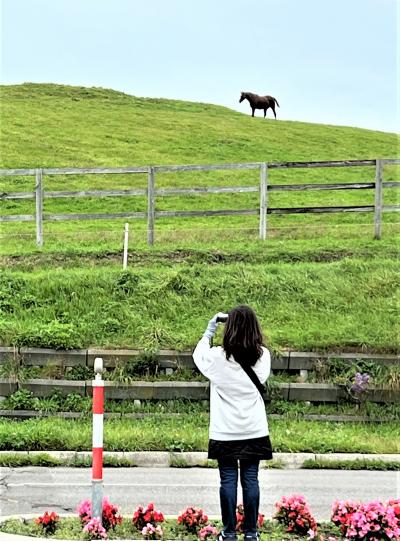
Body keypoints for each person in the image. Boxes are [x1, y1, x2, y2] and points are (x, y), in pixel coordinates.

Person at [193, 305, 273, 541]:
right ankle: (251, 533)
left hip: (224, 430)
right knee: (251, 479)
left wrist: (209, 331)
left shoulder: (218, 358)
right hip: (254, 428)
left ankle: (228, 533)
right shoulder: (263, 356)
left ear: (229, 329)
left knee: (227, 479)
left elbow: (198, 355)